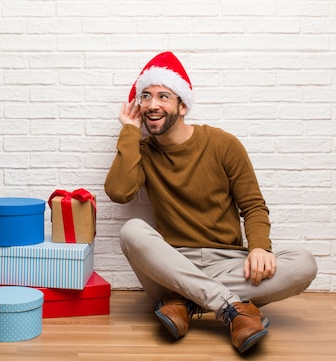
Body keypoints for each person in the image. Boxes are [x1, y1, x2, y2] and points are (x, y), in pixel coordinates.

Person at [104, 51, 318, 353]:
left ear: (182, 104)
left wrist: (259, 247)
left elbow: (253, 205)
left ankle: (185, 303)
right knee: (132, 231)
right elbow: (118, 191)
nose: (152, 104)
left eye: (164, 96)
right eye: (146, 96)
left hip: (228, 262)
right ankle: (230, 306)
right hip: (171, 265)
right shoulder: (142, 151)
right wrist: (128, 130)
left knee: (303, 264)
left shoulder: (222, 144)